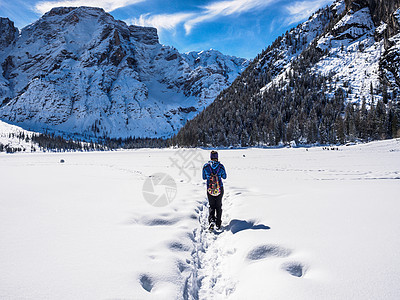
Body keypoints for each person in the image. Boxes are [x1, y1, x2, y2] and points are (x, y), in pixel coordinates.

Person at [202, 150, 227, 230]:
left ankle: (212, 220)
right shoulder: (221, 166)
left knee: (212, 206)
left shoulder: (206, 166)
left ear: (210, 157)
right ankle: (218, 223)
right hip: (219, 188)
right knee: (218, 206)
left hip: (210, 189)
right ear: (217, 157)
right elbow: (224, 177)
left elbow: (204, 177)